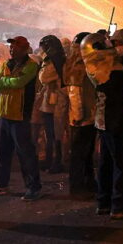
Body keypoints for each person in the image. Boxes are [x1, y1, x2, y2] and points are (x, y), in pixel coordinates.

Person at [83, 29, 123, 220]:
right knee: (121, 163)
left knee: (106, 163)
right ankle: (119, 206)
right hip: (116, 121)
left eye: (118, 43)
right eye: (112, 44)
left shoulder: (97, 66)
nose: (116, 48)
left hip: (103, 121)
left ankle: (103, 202)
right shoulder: (115, 69)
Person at [0, 36, 41, 202]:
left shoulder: (32, 66)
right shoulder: (7, 64)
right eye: (11, 47)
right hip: (5, 114)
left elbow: (20, 82)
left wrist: (6, 81)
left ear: (25, 49)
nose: (12, 50)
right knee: (3, 154)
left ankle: (33, 187)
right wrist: (10, 82)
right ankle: (1, 185)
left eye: (16, 47)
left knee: (25, 153)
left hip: (20, 115)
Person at [63, 32, 98, 198]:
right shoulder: (79, 65)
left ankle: (88, 183)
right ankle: (78, 188)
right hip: (83, 119)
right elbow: (74, 92)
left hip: (83, 117)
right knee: (80, 154)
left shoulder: (72, 63)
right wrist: (78, 116)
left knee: (84, 154)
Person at [35, 35, 68, 173]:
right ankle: (50, 160)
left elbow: (44, 77)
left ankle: (56, 161)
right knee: (51, 133)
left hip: (55, 102)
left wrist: (44, 62)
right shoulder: (60, 59)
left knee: (55, 133)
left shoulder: (54, 61)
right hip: (51, 102)